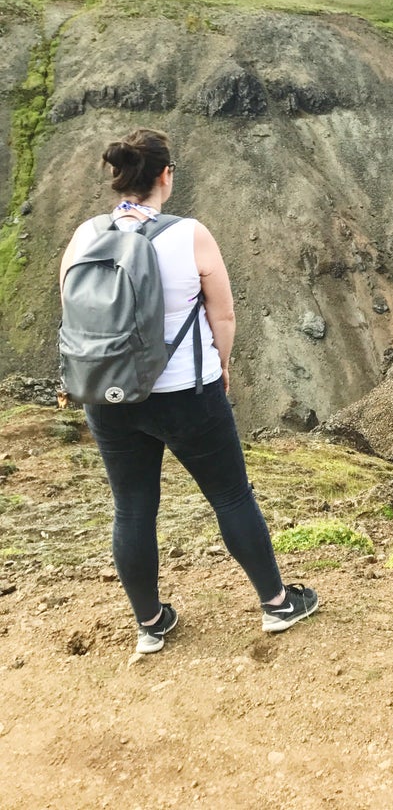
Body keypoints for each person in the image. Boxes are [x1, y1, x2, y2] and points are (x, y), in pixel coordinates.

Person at [60, 127, 318, 654]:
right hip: (186, 395)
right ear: (165, 176)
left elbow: (74, 310)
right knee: (230, 496)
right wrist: (220, 367)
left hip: (110, 397)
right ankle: (276, 605)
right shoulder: (189, 234)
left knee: (132, 507)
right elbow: (222, 312)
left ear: (118, 177)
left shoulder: (85, 235)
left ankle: (151, 624)